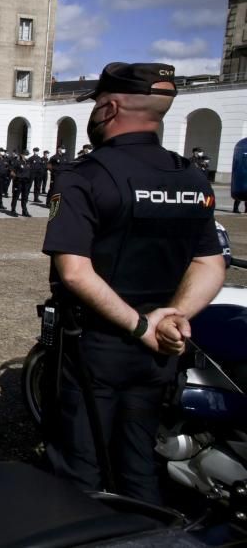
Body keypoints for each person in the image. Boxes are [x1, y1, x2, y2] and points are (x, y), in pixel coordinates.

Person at [42, 62, 225, 504]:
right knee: (138, 459)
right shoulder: (191, 176)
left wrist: (139, 326)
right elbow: (210, 262)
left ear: (109, 106)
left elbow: (75, 271)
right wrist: (172, 317)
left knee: (80, 464)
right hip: (162, 345)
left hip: (99, 342)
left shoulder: (86, 175)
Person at [9, 151, 32, 217]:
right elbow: (12, 172)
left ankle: (24, 211)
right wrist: (16, 177)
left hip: (26, 182)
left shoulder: (28, 163)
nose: (27, 156)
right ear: (22, 155)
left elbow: (29, 172)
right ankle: (13, 210)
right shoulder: (17, 162)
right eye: (26, 154)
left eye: (28, 154)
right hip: (18, 182)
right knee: (16, 197)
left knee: (25, 197)